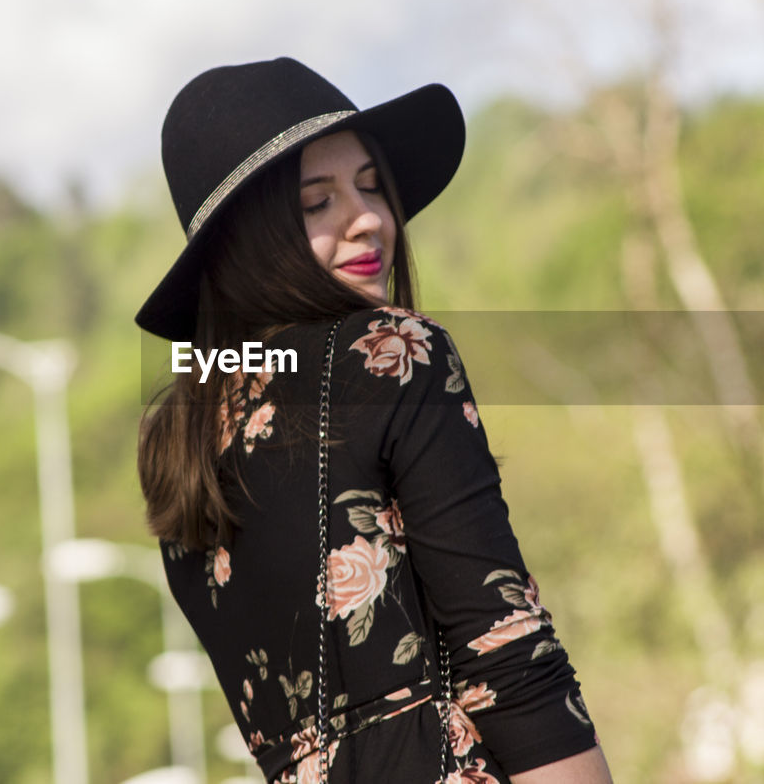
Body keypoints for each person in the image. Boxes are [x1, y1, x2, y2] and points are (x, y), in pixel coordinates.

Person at [136, 58, 611, 783]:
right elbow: (507, 648)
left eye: (370, 185)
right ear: (248, 237)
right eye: (316, 202)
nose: (369, 219)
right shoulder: (393, 356)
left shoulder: (183, 434)